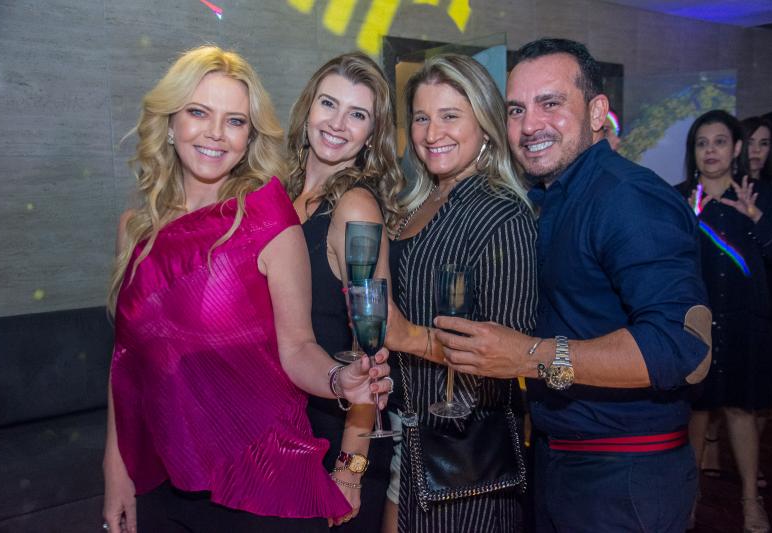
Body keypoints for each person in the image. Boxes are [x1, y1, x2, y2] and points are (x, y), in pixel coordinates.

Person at [102, 46, 392, 533]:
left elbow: (319, 345)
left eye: (234, 120)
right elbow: (127, 363)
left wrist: (349, 457)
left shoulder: (280, 218)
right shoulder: (137, 229)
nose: (216, 132)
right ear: (169, 122)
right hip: (164, 475)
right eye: (198, 112)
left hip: (265, 471)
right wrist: (116, 468)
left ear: (249, 135)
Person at [436, 38, 711, 532]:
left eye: (551, 103)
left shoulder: (627, 197)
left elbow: (683, 346)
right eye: (517, 109)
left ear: (598, 111)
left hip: (625, 477)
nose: (530, 125)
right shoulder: (552, 197)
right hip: (562, 463)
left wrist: (528, 356)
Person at [383, 53, 537, 532]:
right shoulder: (417, 202)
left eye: (450, 116)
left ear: (485, 124)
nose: (432, 134)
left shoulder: (501, 214)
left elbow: (507, 358)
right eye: (421, 118)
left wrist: (407, 336)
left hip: (459, 459)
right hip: (403, 433)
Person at [286, 52, 404, 531]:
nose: (337, 124)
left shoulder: (355, 209)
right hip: (284, 425)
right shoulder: (280, 195)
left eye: (357, 114)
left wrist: (350, 469)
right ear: (308, 109)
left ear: (372, 134)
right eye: (328, 104)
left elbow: (370, 344)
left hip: (333, 433)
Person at [677, 109, 772, 532]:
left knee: (742, 412)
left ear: (736, 148)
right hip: (697, 326)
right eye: (702, 143)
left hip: (746, 325)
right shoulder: (680, 199)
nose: (710, 151)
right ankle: (688, 499)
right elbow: (668, 262)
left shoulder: (759, 194)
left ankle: (750, 501)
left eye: (720, 141)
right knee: (695, 414)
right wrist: (688, 223)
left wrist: (755, 216)